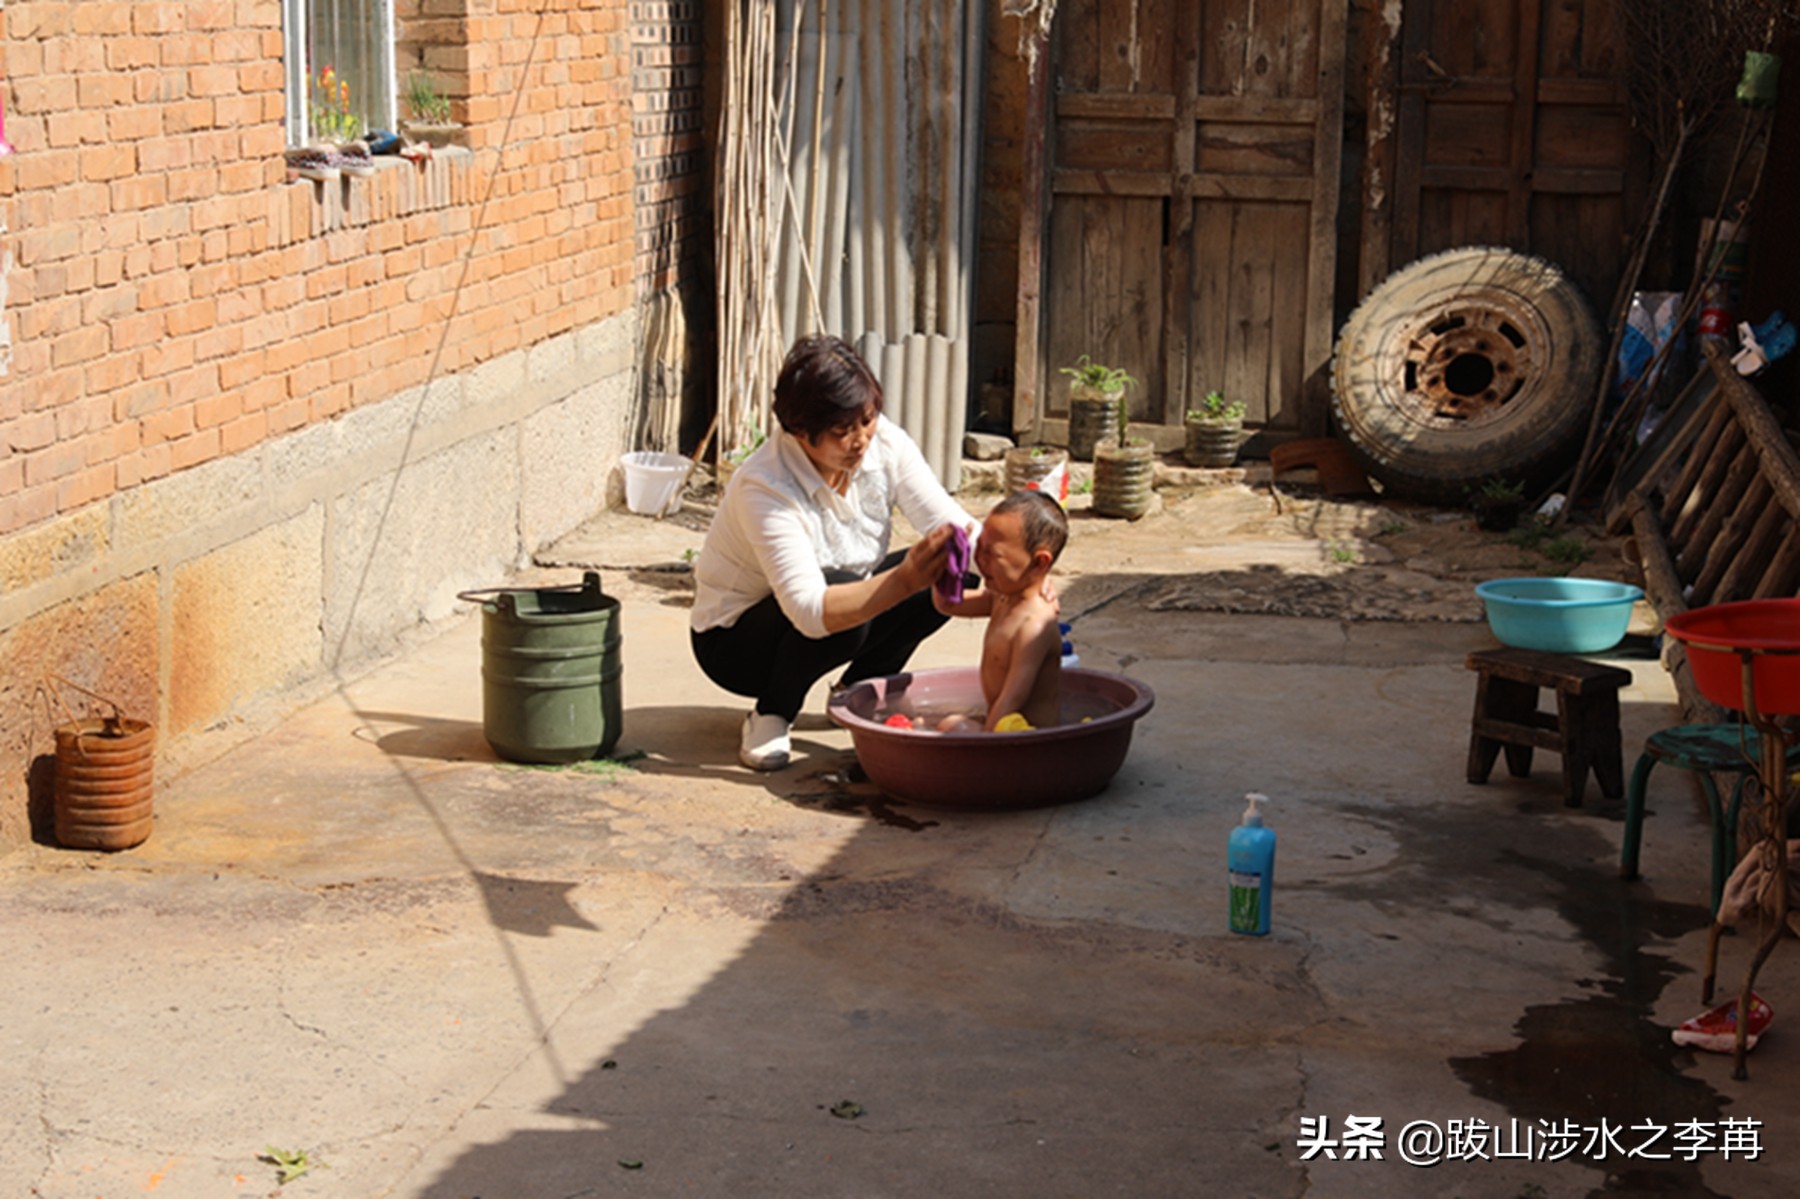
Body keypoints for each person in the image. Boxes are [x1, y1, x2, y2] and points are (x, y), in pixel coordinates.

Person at [690, 334, 976, 770]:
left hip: (834, 605)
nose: (860, 440)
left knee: (951, 564)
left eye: (867, 420)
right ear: (800, 433)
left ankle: (859, 689)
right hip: (735, 644)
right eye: (842, 432)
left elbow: (953, 527)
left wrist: (1017, 564)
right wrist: (902, 580)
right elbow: (808, 609)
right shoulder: (765, 486)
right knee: (845, 605)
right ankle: (772, 712)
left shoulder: (885, 445)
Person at [931, 490, 1068, 732]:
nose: (980, 560)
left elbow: (1013, 698)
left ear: (1039, 563)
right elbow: (947, 604)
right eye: (978, 547)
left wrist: (985, 747)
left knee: (950, 727)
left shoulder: (1033, 625)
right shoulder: (1002, 598)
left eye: (991, 554)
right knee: (939, 724)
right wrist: (948, 563)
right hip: (1002, 724)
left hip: (1030, 736)